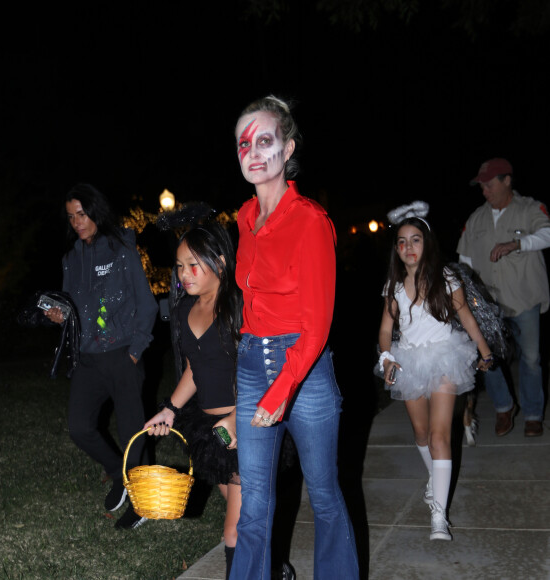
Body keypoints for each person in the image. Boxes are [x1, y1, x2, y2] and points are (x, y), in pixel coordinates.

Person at [230, 95, 359, 580]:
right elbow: (250, 300)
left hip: (303, 371)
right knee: (255, 504)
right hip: (252, 362)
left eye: (265, 140)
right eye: (244, 144)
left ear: (287, 148)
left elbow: (317, 322)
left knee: (323, 494)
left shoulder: (310, 220)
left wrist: (283, 387)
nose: (253, 152)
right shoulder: (244, 217)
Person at [378, 201, 493, 541]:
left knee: (442, 436)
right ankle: (435, 483)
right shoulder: (394, 286)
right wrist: (386, 357)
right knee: (422, 434)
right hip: (409, 360)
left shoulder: (446, 276)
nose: (408, 247)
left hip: (445, 358)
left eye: (415, 240)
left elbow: (466, 318)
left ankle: (439, 515)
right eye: (401, 242)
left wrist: (485, 352)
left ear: (426, 243)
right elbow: (386, 329)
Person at [45, 183, 158, 529]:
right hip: (89, 359)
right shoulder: (71, 259)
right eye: (71, 217)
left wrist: (135, 352)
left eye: (82, 213)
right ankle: (117, 471)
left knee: (131, 432)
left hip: (123, 354)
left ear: (95, 211)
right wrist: (61, 315)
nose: (77, 222)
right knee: (79, 427)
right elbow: (76, 310)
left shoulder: (121, 248)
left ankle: (141, 505)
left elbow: (147, 304)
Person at [144, 222, 241, 580]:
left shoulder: (239, 305)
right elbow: (193, 369)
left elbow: (262, 371)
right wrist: (169, 408)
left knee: (234, 531)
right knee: (243, 516)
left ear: (219, 261)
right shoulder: (185, 309)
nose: (183, 274)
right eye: (179, 266)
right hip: (210, 431)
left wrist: (239, 418)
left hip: (244, 426)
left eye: (192, 265)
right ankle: (271, 567)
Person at [457, 158, 550, 437]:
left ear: (507, 180)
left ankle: (533, 413)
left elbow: (547, 233)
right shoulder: (476, 218)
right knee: (487, 357)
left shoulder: (530, 208)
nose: (484, 190)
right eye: (482, 186)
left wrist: (516, 244)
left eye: (489, 184)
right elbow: (464, 260)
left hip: (524, 298)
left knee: (531, 359)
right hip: (489, 305)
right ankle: (503, 408)